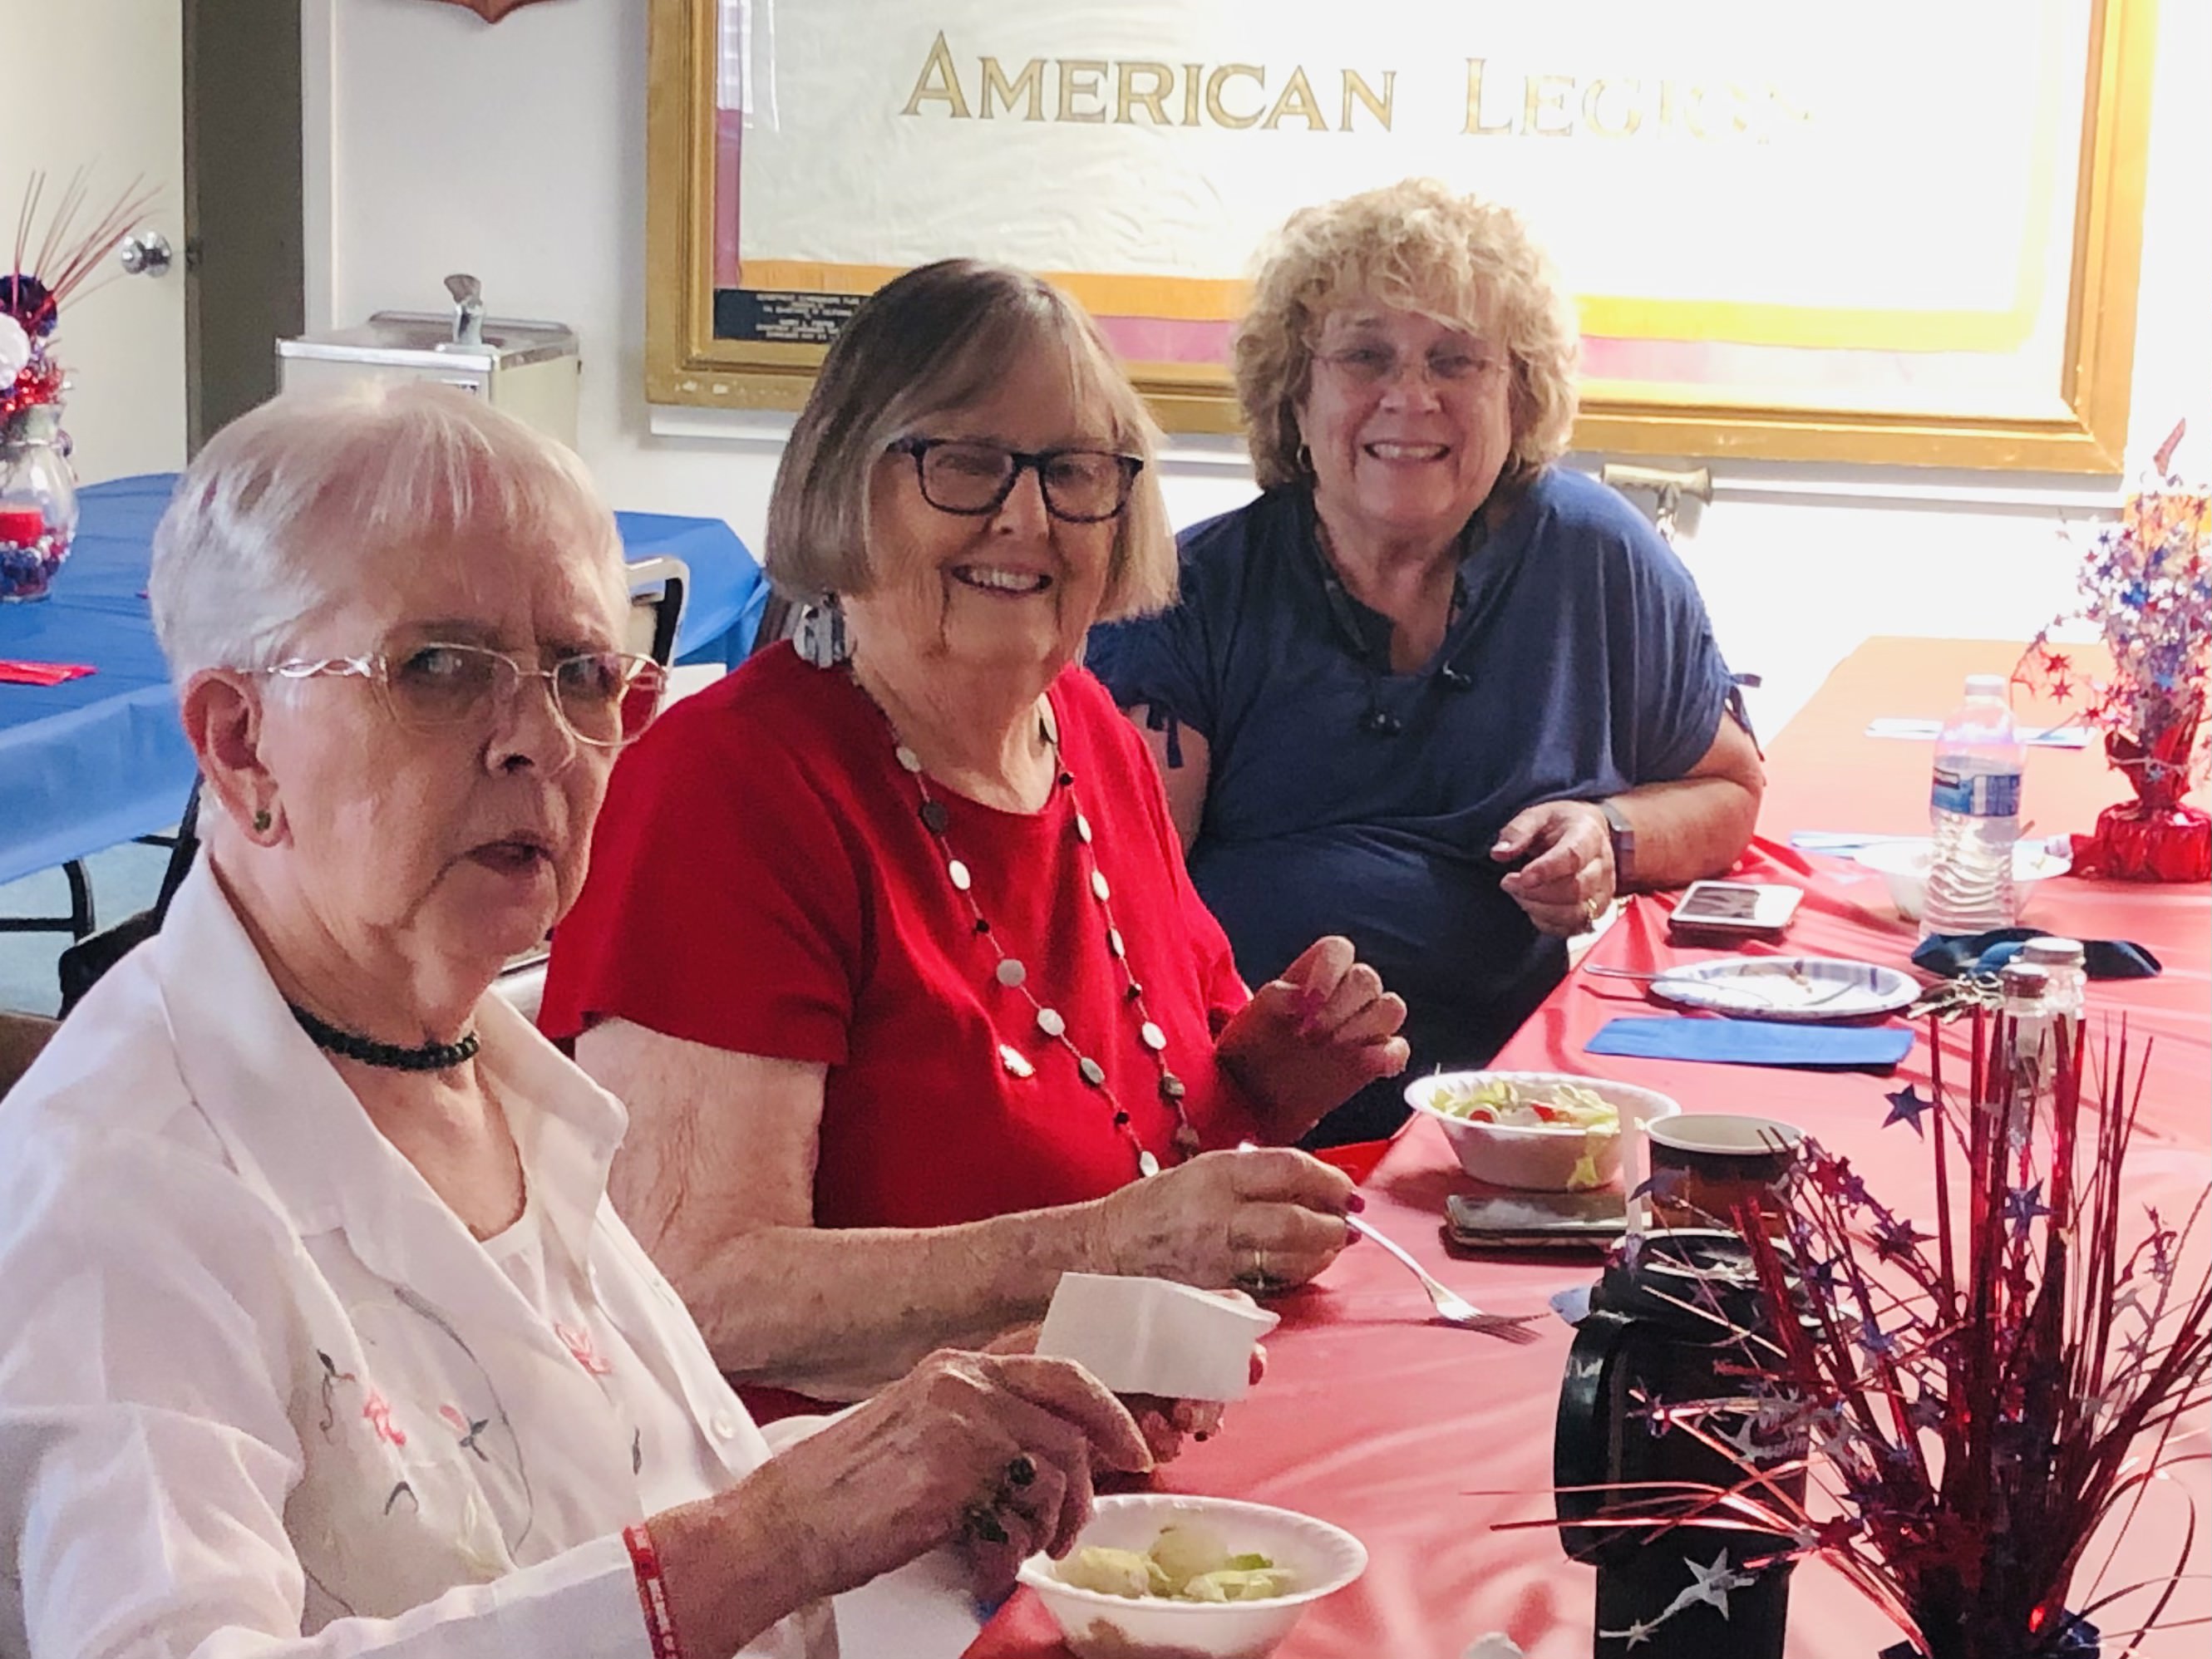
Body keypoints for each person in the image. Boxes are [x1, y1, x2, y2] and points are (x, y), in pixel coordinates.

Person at [0, 383, 1157, 1659]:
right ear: (240, 745)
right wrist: (773, 1542)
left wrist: (928, 1483)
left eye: (582, 674)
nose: (540, 744)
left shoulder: (472, 1058)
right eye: (438, 669)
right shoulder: (121, 1184)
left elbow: (612, 1513)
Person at [539, 259, 1409, 1404]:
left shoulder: (1085, 731)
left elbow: (1127, 1128)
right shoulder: (728, 790)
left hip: (1112, 1431)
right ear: (847, 481)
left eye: (1074, 471)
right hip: (838, 1511)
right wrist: (1101, 1249)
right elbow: (696, 1291)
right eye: (963, 462)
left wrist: (1261, 1080)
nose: (1026, 515)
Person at [1087, 180, 1766, 1146]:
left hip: (1507, 1113)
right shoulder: (1185, 594)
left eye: (1456, 359)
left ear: (1519, 393)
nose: (1410, 398)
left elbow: (1729, 788)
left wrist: (1609, 834)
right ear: (1296, 388)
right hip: (1248, 1112)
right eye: (1366, 355)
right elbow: (1114, 917)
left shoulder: (1596, 559)